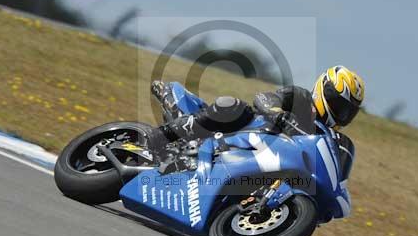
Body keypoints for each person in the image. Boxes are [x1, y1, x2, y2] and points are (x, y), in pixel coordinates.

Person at [150, 65, 364, 179]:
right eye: (338, 103)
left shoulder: (335, 140)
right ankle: (165, 135)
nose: (341, 112)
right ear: (322, 89)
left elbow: (337, 175)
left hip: (265, 164)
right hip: (245, 134)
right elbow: (264, 98)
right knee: (234, 106)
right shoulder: (300, 98)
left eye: (348, 110)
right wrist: (278, 114)